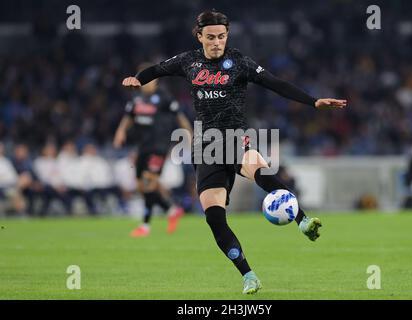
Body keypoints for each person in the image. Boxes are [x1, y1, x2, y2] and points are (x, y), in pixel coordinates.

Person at [121, 10, 346, 294]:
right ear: (200, 36)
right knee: (214, 218)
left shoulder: (239, 62)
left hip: (235, 137)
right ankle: (248, 276)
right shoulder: (188, 61)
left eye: (222, 37)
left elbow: (276, 83)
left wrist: (313, 102)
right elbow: (156, 70)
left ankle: (302, 220)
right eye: (211, 37)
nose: (217, 42)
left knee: (260, 170)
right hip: (205, 147)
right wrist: (138, 79)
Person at [114, 67, 193, 236]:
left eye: (149, 80)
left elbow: (180, 117)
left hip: (159, 146)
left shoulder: (164, 98)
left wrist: (190, 135)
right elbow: (128, 117)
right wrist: (120, 132)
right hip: (142, 147)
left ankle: (145, 226)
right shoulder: (136, 99)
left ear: (156, 81)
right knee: (141, 186)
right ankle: (171, 209)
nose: (146, 84)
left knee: (149, 182)